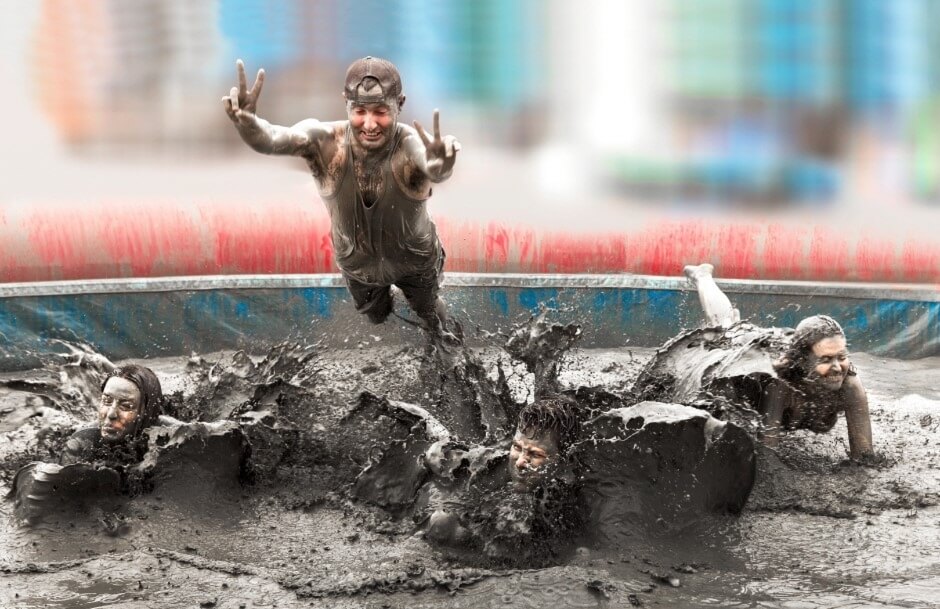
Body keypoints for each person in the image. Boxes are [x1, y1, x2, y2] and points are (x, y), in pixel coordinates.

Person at [222, 56, 461, 342]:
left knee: (429, 312)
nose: (370, 124)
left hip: (415, 259)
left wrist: (441, 164)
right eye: (359, 111)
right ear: (345, 102)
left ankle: (447, 342)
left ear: (400, 104)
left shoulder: (411, 144)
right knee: (376, 315)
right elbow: (272, 138)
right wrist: (249, 126)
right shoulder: (324, 141)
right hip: (358, 263)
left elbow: (433, 167)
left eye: (381, 111)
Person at [633, 263, 874, 459]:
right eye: (826, 359)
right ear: (802, 362)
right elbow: (769, 457)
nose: (837, 367)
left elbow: (864, 459)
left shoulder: (850, 386)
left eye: (842, 357)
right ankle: (702, 276)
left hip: (788, 345)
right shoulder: (779, 386)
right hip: (755, 349)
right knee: (726, 329)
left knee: (729, 324)